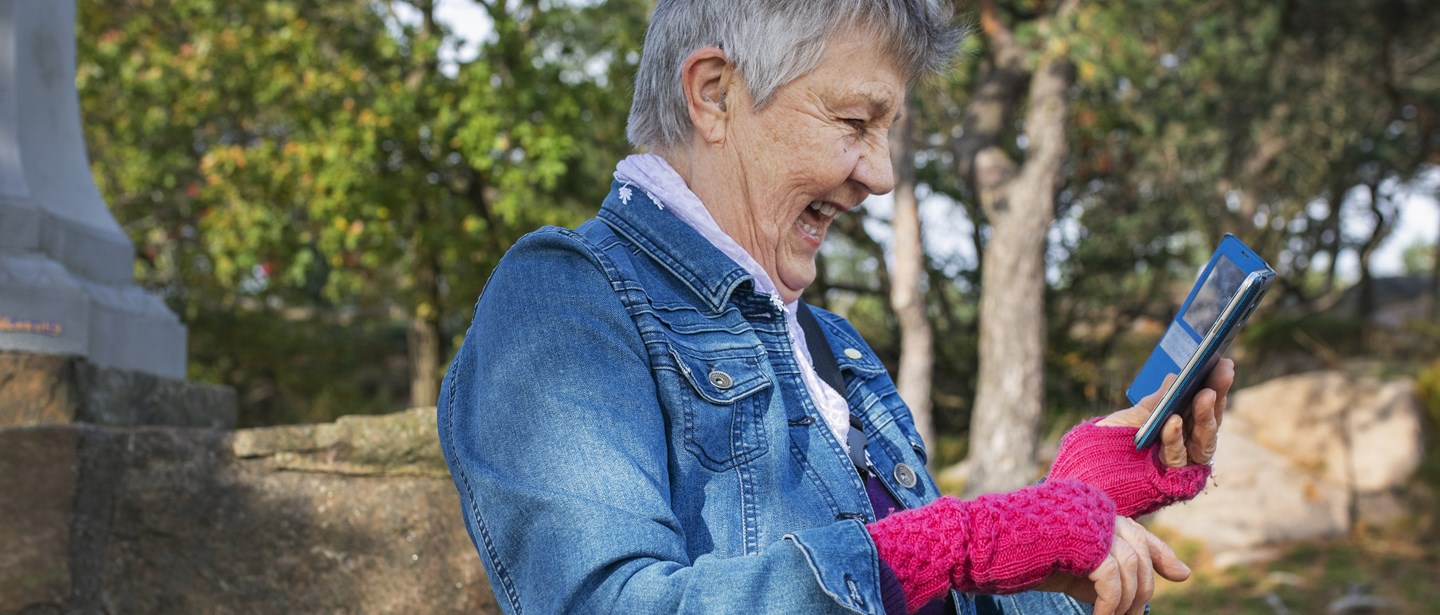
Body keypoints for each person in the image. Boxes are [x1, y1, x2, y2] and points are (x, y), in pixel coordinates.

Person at [437, 2, 1232, 614]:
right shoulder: (565, 295)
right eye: (855, 123)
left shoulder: (830, 346)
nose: (880, 174)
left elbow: (928, 582)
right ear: (715, 94)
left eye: (887, 130)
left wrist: (1078, 502)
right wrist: (962, 538)